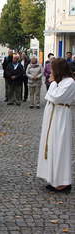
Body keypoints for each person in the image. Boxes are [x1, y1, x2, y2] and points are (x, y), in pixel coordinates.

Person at [37, 58, 75, 193]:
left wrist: (52, 83)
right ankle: (53, 179)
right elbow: (50, 95)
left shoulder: (69, 82)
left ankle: (63, 182)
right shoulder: (58, 83)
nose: (50, 72)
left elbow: (55, 97)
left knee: (60, 147)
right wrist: (53, 83)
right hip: (52, 116)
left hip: (61, 118)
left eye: (52, 69)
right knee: (51, 146)